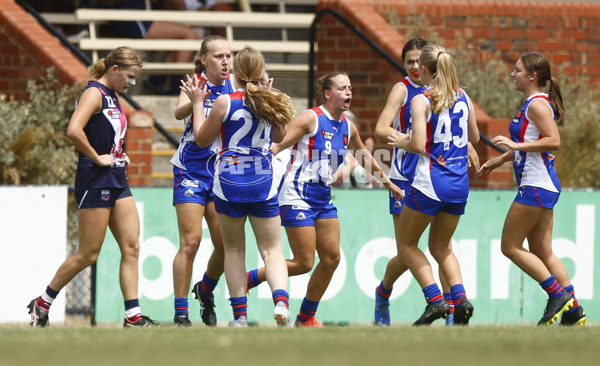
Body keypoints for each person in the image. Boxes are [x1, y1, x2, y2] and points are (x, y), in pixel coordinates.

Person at [246, 72, 404, 327]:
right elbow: (279, 144)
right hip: (296, 194)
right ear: (328, 94)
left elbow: (363, 156)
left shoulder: (348, 127)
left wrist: (388, 183)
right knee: (304, 261)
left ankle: (305, 317)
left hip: (322, 197)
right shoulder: (311, 118)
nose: (349, 93)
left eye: (350, 88)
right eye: (342, 88)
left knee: (331, 258)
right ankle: (249, 279)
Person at [27, 47, 158, 328]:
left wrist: (118, 153)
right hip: (96, 179)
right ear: (114, 70)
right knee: (89, 253)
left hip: (117, 178)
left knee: (132, 245)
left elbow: (106, 134)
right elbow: (74, 130)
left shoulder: (112, 95)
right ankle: (43, 302)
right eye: (130, 76)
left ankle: (133, 317)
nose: (131, 83)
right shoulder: (94, 93)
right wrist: (97, 156)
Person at [182, 46, 296, 327]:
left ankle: (240, 317)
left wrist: (198, 103)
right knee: (272, 250)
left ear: (236, 72)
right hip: (262, 180)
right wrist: (269, 94)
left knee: (234, 251)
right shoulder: (270, 100)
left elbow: (200, 140)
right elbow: (281, 135)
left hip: (230, 180)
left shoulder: (225, 101)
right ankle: (281, 301)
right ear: (261, 72)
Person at [374, 38, 479, 326]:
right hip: (408, 176)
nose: (415, 66)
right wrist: (402, 137)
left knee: (416, 246)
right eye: (409, 61)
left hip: (428, 175)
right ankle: (384, 293)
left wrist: (413, 140)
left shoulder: (427, 98)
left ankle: (439, 305)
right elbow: (382, 127)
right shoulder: (405, 89)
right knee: (419, 249)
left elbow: (421, 143)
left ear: (428, 65)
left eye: (419, 61)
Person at [478, 52, 585, 326]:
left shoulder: (536, 105)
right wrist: (501, 159)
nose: (512, 74)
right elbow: (531, 144)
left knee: (509, 246)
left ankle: (557, 296)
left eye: (517, 70)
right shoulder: (531, 103)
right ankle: (573, 311)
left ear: (532, 76)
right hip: (542, 184)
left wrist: (516, 147)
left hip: (536, 185)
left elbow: (554, 141)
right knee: (542, 250)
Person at [170, 36, 234, 327]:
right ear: (204, 60)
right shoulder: (196, 82)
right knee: (191, 242)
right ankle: (181, 312)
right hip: (191, 171)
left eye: (228, 56)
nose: (225, 61)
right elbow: (179, 112)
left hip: (222, 173)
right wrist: (197, 99)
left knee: (225, 245)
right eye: (219, 56)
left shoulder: (236, 84)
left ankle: (205, 290)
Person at [96, 0, 199, 64]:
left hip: (115, 24)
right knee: (189, 34)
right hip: (135, 23)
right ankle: (174, 80)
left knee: (179, 41)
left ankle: (157, 80)